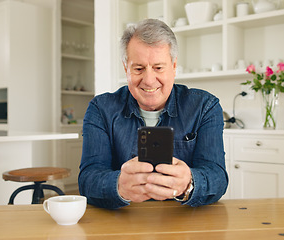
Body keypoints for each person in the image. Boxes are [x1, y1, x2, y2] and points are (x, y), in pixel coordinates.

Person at [79, 19, 228, 209]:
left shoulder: (205, 107)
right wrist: (118, 186)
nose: (149, 80)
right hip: (122, 220)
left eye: (158, 68)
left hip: (184, 222)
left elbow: (217, 176)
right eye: (139, 69)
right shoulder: (100, 109)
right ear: (126, 69)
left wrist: (189, 183)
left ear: (174, 67)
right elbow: (87, 179)